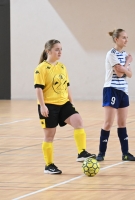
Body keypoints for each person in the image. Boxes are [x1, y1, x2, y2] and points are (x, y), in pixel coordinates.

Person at [34, 39, 96, 174]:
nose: (60, 52)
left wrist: (71, 102)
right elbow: (38, 89)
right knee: (50, 136)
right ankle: (49, 165)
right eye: (57, 49)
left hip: (64, 103)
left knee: (78, 121)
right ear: (48, 51)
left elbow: (67, 85)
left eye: (61, 49)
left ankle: (81, 153)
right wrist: (43, 106)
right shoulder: (41, 69)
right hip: (49, 105)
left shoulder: (62, 67)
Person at [96, 29, 135, 162]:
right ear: (116, 39)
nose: (126, 40)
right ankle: (101, 153)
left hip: (123, 90)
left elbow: (130, 74)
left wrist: (125, 66)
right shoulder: (111, 54)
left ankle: (125, 153)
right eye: (124, 37)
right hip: (111, 89)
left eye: (127, 37)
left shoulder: (125, 54)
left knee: (122, 123)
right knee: (108, 123)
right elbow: (119, 73)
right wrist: (128, 63)